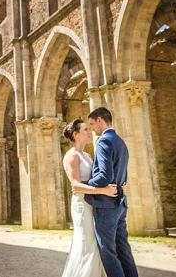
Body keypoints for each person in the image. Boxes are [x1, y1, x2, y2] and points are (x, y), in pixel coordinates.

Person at [58, 119, 117, 277]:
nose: (88, 131)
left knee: (96, 243)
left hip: (93, 203)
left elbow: (95, 178)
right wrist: (103, 191)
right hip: (82, 205)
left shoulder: (87, 155)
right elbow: (76, 186)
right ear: (76, 135)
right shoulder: (72, 156)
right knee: (87, 243)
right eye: (85, 129)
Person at [84, 107, 138, 277]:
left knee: (108, 251)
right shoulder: (120, 141)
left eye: (93, 124)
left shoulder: (103, 141)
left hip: (106, 205)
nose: (93, 128)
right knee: (123, 249)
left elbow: (105, 176)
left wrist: (85, 184)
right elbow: (122, 173)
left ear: (100, 120)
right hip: (120, 204)